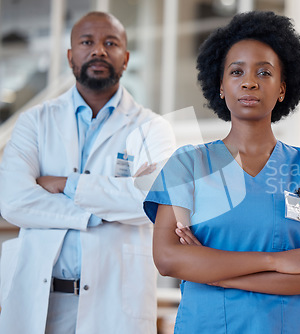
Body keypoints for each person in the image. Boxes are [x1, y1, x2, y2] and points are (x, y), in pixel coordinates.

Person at [143, 11, 300, 334]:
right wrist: (277, 261)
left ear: (283, 89)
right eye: (236, 72)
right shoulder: (188, 165)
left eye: (264, 72)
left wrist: (211, 269)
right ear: (220, 86)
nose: (249, 82)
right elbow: (167, 260)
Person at [0, 11, 175, 334]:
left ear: (126, 59)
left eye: (111, 43)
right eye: (87, 42)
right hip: (42, 302)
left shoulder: (152, 128)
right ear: (70, 56)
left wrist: (68, 184)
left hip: (115, 309)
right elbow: (13, 202)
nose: (99, 51)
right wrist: (101, 211)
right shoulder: (34, 122)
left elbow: (156, 200)